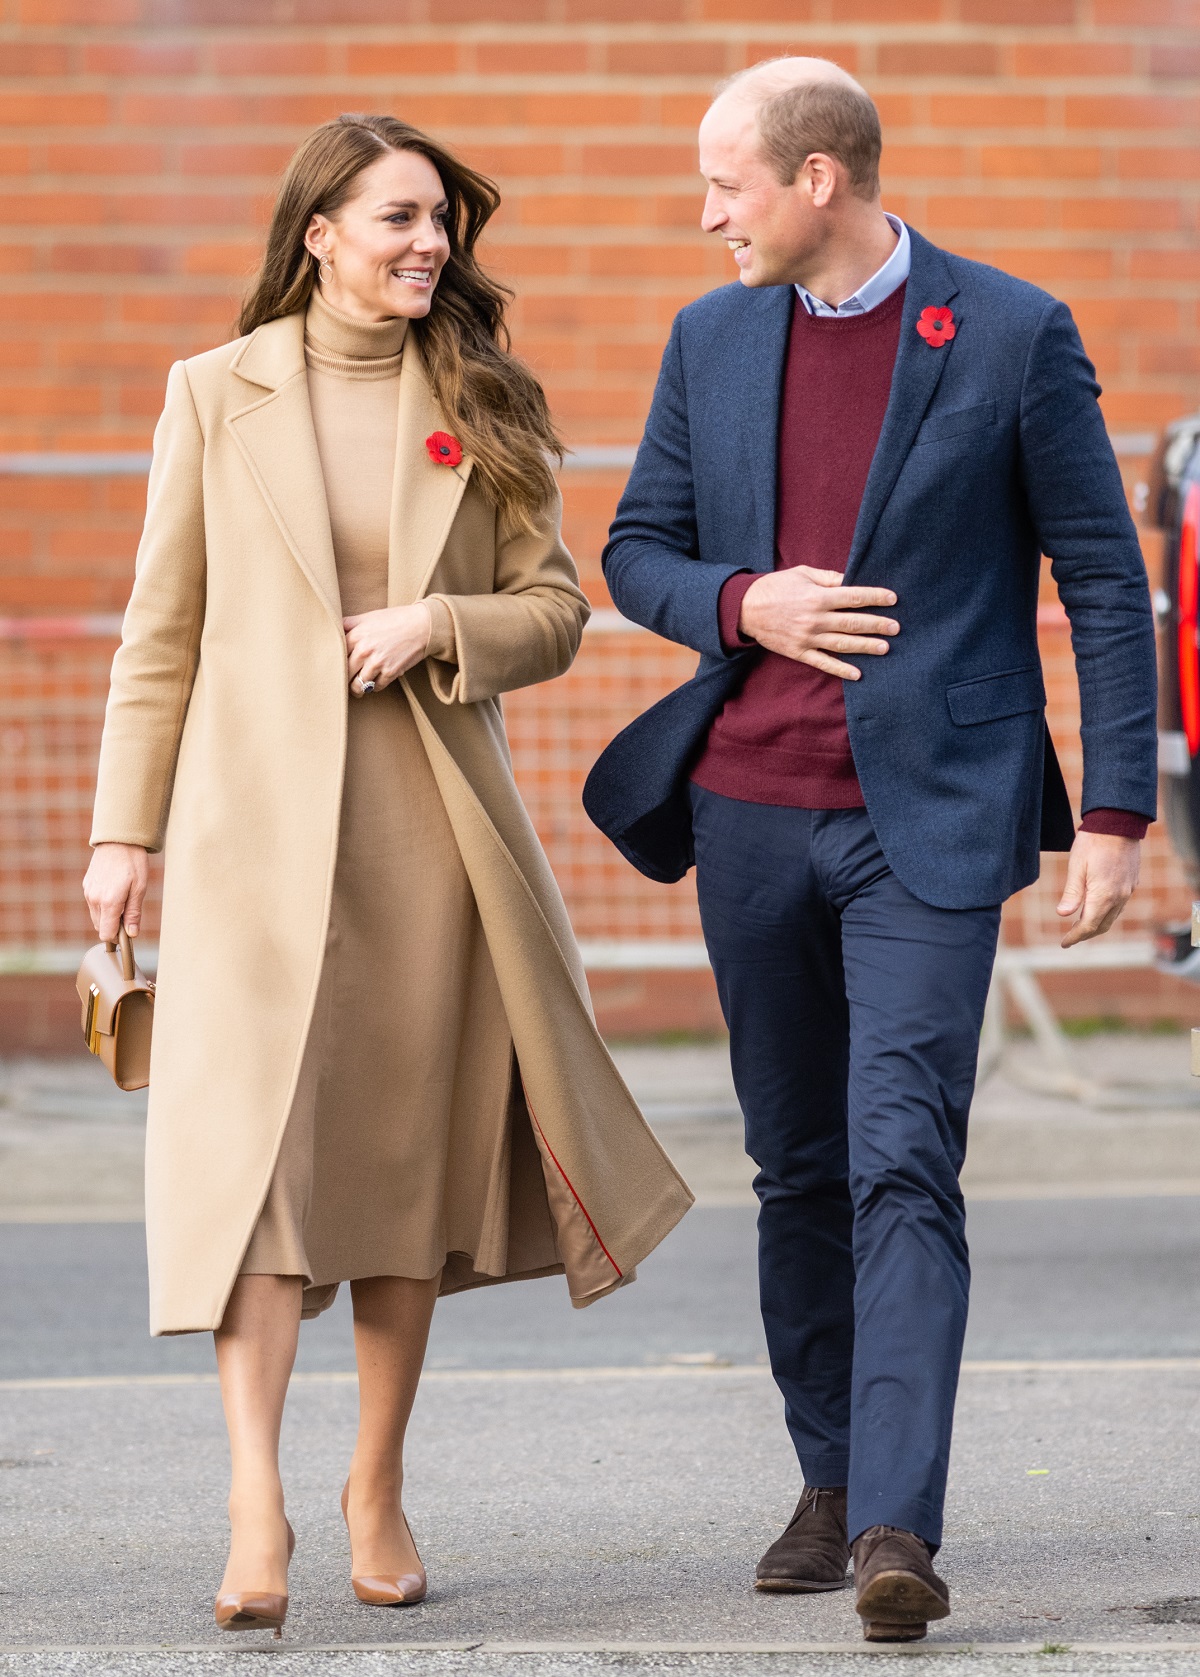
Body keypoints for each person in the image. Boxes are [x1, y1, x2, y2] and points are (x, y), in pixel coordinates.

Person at [83, 113, 691, 1637]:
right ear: (320, 235)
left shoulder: (479, 398)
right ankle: (251, 1501)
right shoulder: (213, 395)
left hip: (429, 836)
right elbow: (159, 632)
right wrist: (121, 833)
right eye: (401, 218)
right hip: (244, 845)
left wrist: (445, 628)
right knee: (259, 1175)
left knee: (398, 1175)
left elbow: (555, 610)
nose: (430, 243)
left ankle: (374, 1483)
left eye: (440, 221)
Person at [584, 59, 1156, 1642]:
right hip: (750, 814)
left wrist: (1115, 810)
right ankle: (827, 1477)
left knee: (906, 1153)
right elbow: (636, 545)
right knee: (801, 1167)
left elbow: (1104, 580)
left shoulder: (1014, 332)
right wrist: (740, 601)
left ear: (818, 180)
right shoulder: (710, 337)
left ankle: (900, 1520)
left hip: (936, 818)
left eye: (729, 186)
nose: (707, 216)